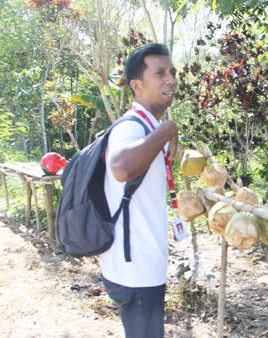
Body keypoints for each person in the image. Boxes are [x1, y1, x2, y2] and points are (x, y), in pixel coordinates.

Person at [99, 43, 178, 338]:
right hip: (135, 270)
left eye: (172, 72)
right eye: (160, 73)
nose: (171, 79)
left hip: (142, 265)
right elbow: (122, 168)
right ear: (136, 85)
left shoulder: (147, 127)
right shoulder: (130, 128)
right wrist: (167, 130)